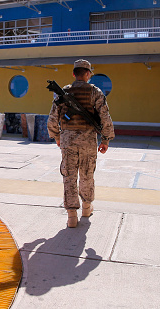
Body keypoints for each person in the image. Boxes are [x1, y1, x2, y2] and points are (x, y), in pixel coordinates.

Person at [47, 59, 114, 228]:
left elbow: (53, 117)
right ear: (88, 74)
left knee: (69, 176)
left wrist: (56, 137)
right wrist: (105, 139)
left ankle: (71, 216)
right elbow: (105, 117)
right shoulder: (95, 92)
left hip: (68, 141)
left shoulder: (63, 92)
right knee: (87, 174)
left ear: (73, 74)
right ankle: (86, 207)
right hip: (89, 142)